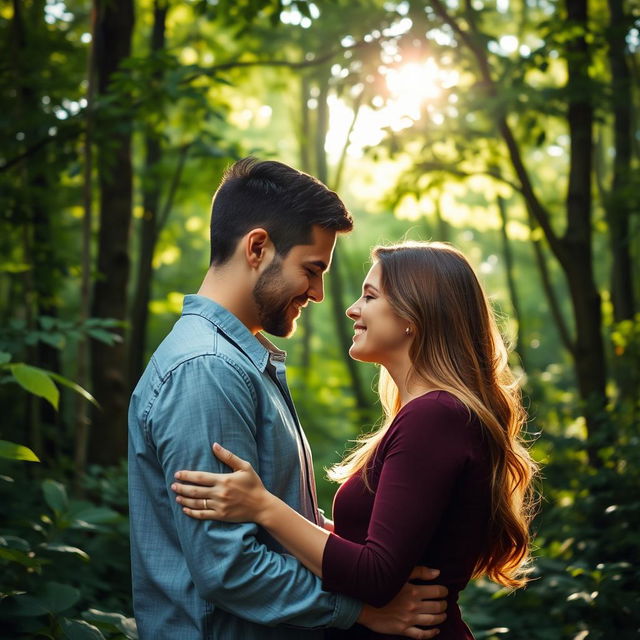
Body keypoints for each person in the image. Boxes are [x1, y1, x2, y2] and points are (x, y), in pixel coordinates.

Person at [128, 159, 448, 640]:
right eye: (311, 269)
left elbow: (273, 519)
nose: (319, 293)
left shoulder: (239, 362)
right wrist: (362, 610)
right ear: (258, 247)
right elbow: (229, 566)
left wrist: (376, 555)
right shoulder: (208, 370)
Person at [171, 241, 539, 639]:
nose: (352, 309)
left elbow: (374, 575)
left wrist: (264, 507)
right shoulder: (432, 415)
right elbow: (375, 545)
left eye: (370, 296)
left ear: (413, 314)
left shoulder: (434, 417)